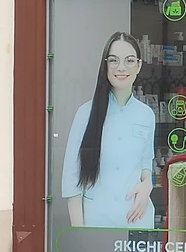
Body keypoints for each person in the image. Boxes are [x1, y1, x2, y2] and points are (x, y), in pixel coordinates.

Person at [61, 32, 158, 229]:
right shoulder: (86, 113)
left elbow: (146, 161)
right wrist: (80, 234)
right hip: (97, 223)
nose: (121, 67)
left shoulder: (146, 115)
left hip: (137, 221)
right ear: (105, 65)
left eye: (129, 60)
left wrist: (148, 184)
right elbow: (71, 179)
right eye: (114, 60)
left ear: (139, 65)